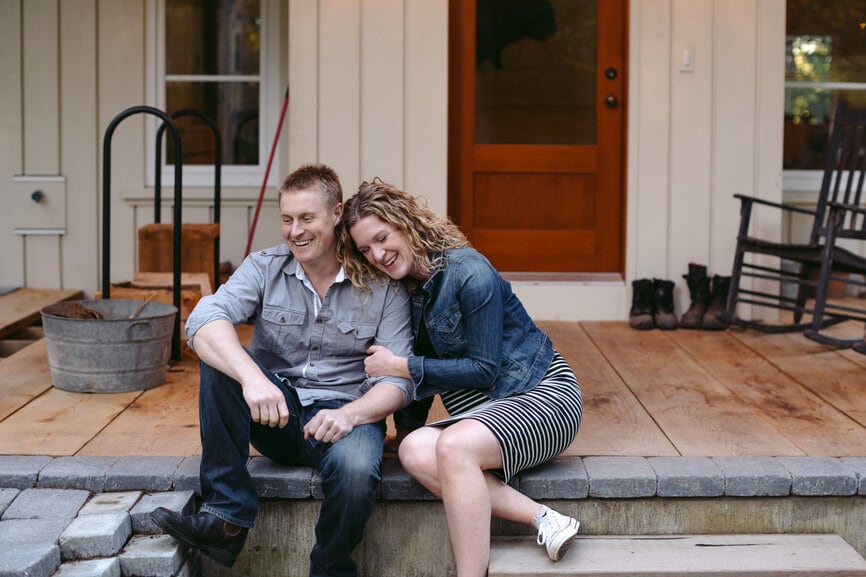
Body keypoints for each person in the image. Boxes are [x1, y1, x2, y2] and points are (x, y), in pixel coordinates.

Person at [151, 164, 415, 576]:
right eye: (288, 220)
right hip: (276, 414)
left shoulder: (383, 288)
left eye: (307, 218)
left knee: (358, 469)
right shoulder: (265, 267)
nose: (295, 231)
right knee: (220, 359)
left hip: (347, 419)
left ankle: (330, 568)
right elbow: (202, 321)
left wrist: (349, 415)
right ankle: (226, 516)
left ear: (336, 213)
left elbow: (398, 382)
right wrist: (253, 379)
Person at [336, 179, 584, 577]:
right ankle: (544, 518)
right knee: (414, 450)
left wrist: (400, 366)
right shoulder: (406, 290)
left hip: (541, 396)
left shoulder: (469, 271)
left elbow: (483, 370)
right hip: (487, 416)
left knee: (452, 447)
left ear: (405, 223)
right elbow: (421, 377)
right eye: (366, 249)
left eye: (382, 238)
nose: (378, 255)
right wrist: (404, 430)